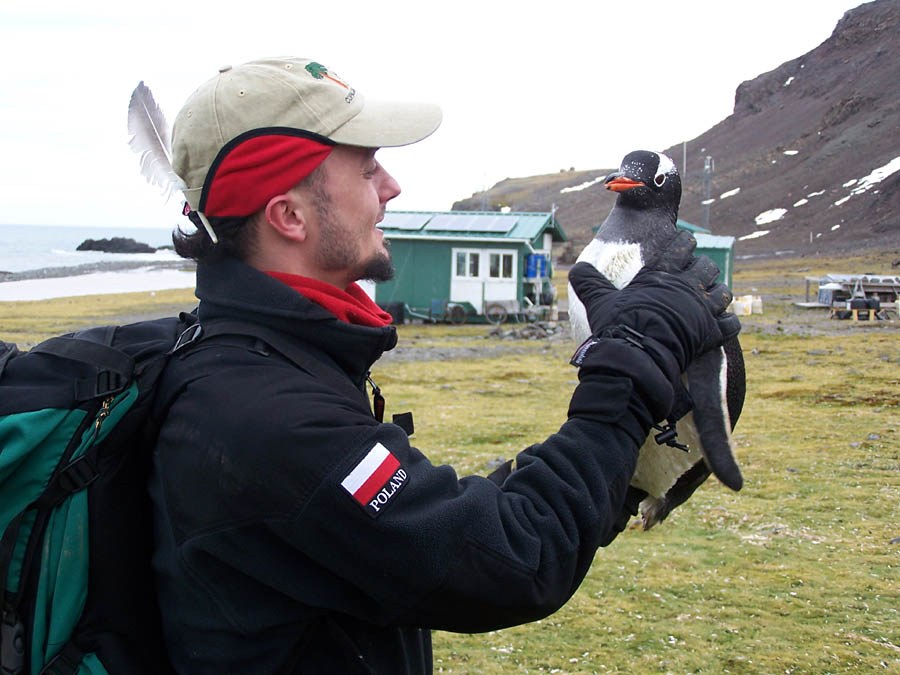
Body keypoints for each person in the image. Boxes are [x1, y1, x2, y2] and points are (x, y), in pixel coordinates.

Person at [148, 56, 739, 674]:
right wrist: (633, 359)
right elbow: (515, 556)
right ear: (289, 216)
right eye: (367, 166)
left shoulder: (268, 357)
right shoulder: (266, 418)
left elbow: (442, 530)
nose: (391, 186)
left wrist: (622, 475)